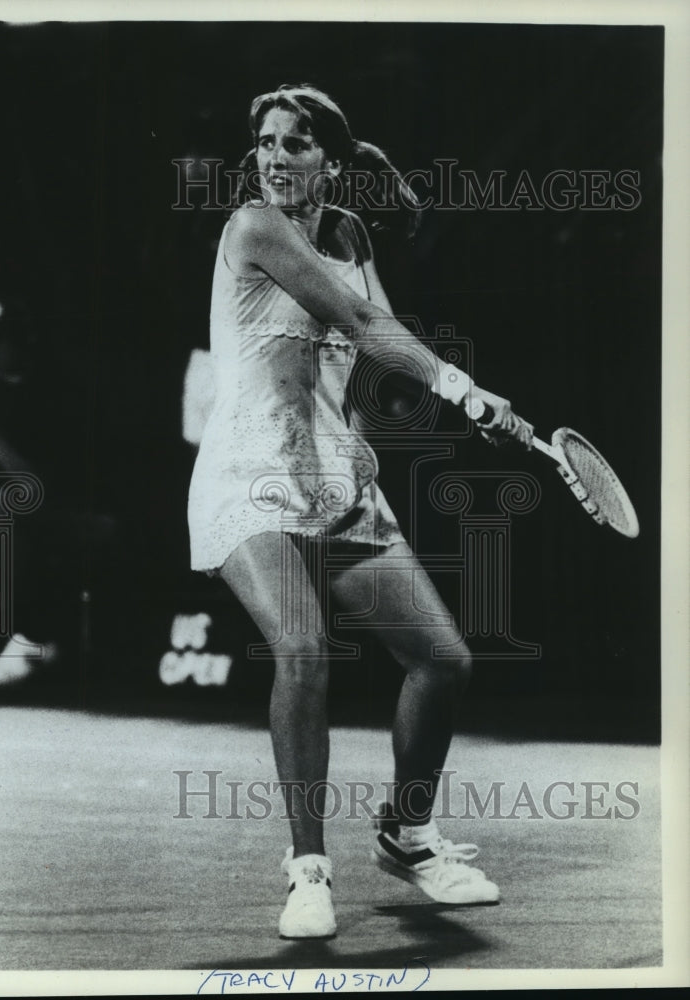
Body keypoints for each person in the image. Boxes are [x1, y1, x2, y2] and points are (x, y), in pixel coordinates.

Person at [187, 84, 532, 939]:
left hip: (335, 478)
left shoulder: (346, 232)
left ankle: (409, 836)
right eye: (264, 141)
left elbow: (352, 354)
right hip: (250, 473)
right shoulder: (253, 226)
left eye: (295, 144)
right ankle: (308, 873)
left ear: (328, 160)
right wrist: (462, 387)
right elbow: (363, 316)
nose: (273, 157)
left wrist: (362, 435)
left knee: (443, 661)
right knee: (302, 651)